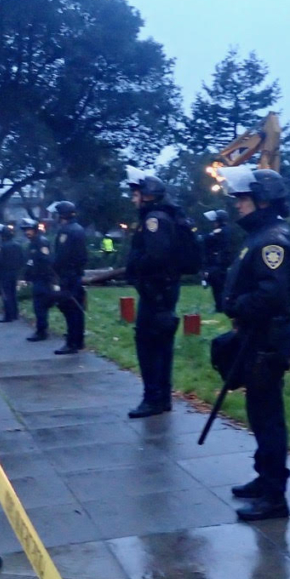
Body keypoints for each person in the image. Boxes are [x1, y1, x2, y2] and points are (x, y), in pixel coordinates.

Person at [221, 167, 290, 522]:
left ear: (262, 201)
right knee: (258, 413)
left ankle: (274, 496)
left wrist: (236, 306)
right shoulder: (262, 235)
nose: (238, 205)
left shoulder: (272, 241)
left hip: (267, 339)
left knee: (268, 418)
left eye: (243, 199)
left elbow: (272, 296)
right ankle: (264, 478)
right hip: (257, 338)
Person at [125, 167, 181, 418]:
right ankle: (162, 397)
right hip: (161, 292)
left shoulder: (154, 220)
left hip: (156, 293)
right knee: (161, 345)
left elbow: (156, 257)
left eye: (136, 194)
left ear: (147, 195)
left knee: (149, 346)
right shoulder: (162, 216)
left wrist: (136, 266)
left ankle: (153, 398)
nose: (133, 199)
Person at [51, 201, 87, 355]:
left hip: (67, 275)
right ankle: (78, 341)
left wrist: (55, 271)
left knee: (69, 308)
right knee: (77, 308)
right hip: (76, 274)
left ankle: (71, 342)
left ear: (62, 215)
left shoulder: (66, 231)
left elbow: (61, 256)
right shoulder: (79, 229)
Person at [21, 218, 54, 341]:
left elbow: (46, 261)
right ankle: (41, 329)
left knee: (40, 306)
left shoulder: (41, 242)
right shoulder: (33, 243)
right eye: (25, 230)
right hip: (37, 279)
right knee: (38, 306)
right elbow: (31, 262)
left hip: (43, 279)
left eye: (28, 230)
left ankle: (42, 331)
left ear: (34, 229)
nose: (26, 232)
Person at [0, 223, 24, 323]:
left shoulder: (1, 247)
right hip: (15, 272)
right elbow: (22, 259)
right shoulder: (18, 245)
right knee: (13, 294)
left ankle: (8, 316)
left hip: (4, 273)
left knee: (6, 294)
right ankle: (15, 314)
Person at [202, 209, 233, 313]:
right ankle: (219, 307)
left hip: (219, 264)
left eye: (215, 221)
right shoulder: (223, 231)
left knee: (219, 287)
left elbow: (205, 238)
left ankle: (221, 307)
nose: (213, 223)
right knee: (216, 287)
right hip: (217, 263)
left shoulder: (222, 231)